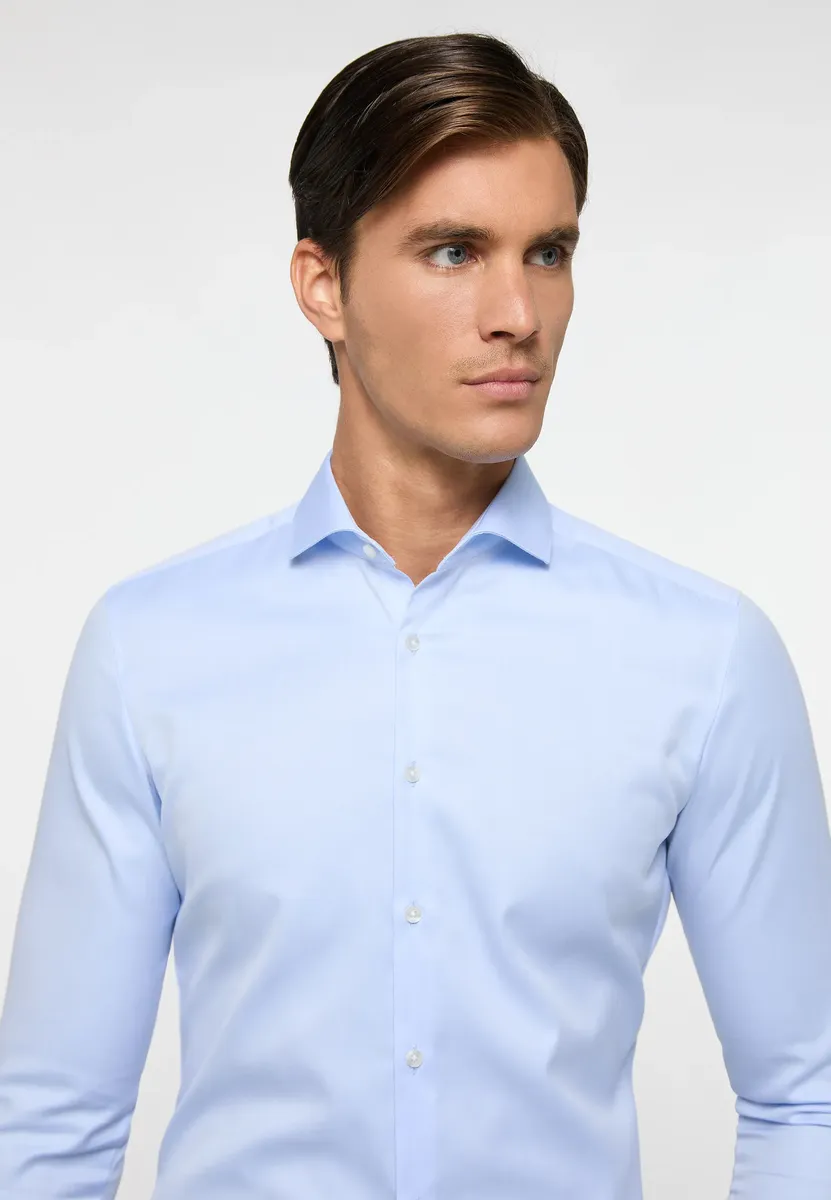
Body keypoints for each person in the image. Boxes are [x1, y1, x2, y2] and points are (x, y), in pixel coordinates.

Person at [1, 29, 829, 1200]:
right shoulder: (150, 653)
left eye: (549, 253)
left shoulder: (705, 657)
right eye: (454, 251)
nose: (518, 312)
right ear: (323, 286)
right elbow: (49, 1123)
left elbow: (807, 1093)